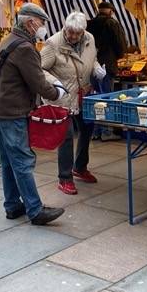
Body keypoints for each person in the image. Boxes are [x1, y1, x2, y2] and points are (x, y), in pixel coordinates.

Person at [0, 2, 66, 226]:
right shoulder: (24, 47)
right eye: (42, 23)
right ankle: (35, 210)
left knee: (8, 160)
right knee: (22, 160)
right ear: (31, 22)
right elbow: (38, 82)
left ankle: (13, 205)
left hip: (1, 108)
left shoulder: (9, 40)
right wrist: (57, 93)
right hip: (13, 110)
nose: (43, 27)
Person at [41, 11, 105, 195]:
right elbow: (39, 68)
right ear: (65, 27)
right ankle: (65, 178)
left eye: (77, 33)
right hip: (63, 96)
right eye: (70, 32)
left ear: (83, 31)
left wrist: (96, 67)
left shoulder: (89, 39)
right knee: (66, 136)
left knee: (87, 129)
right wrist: (55, 83)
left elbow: (90, 59)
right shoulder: (53, 43)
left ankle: (80, 167)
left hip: (83, 93)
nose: (73, 36)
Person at [86, 1, 127, 140]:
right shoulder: (112, 23)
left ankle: (95, 131)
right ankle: (106, 131)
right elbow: (120, 44)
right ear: (110, 11)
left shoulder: (89, 24)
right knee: (106, 97)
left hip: (92, 65)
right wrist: (120, 55)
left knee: (96, 97)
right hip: (107, 65)